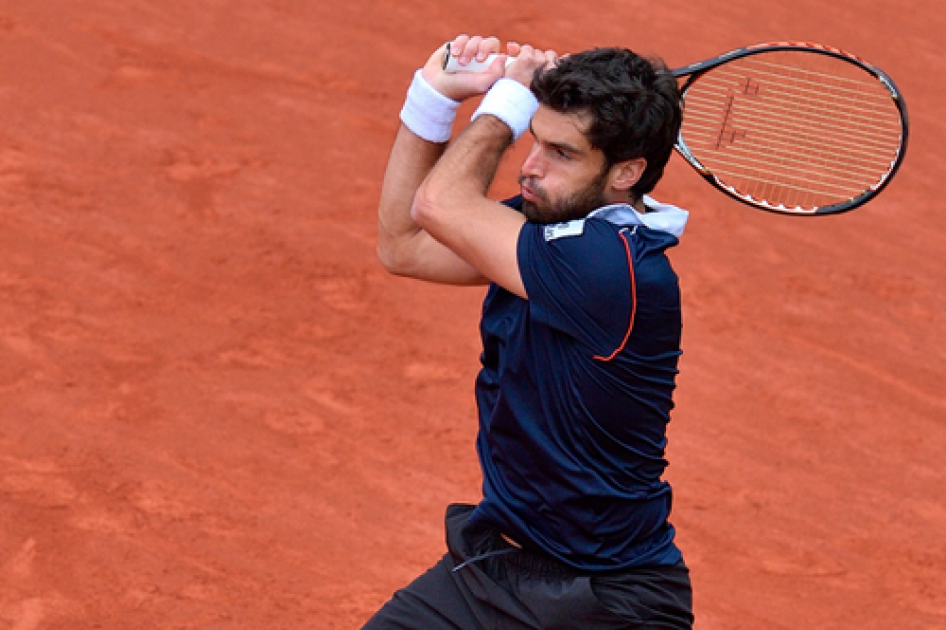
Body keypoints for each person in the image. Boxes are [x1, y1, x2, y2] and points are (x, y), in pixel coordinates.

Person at [367, 34, 694, 629]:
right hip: (492, 569)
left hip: (607, 603)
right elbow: (404, 247)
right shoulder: (550, 228)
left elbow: (438, 205)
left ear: (627, 171)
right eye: (534, 139)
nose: (531, 167)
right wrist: (432, 99)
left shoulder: (609, 268)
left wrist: (510, 100)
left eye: (562, 153)